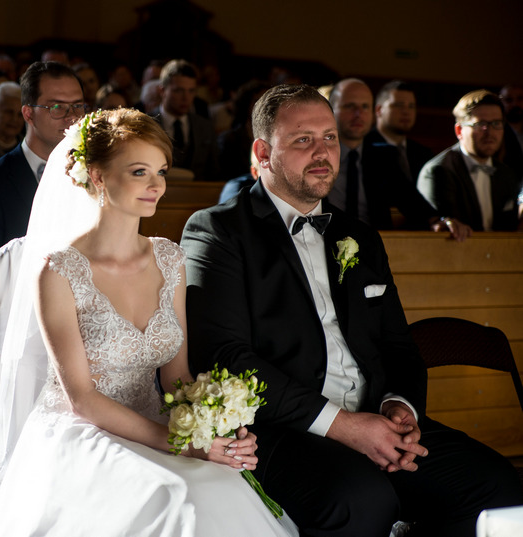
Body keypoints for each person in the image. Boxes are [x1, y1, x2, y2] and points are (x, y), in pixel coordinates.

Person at [181, 83, 523, 536]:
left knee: (498, 487)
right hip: (284, 429)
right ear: (263, 153)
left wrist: (400, 408)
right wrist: (344, 426)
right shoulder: (218, 231)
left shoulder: (359, 236)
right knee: (361, 502)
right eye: (303, 140)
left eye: (330, 137)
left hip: (376, 416)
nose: (322, 152)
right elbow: (225, 357)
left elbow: (398, 343)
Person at [0, 108, 298, 537]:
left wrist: (217, 428)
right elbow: (82, 399)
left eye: (161, 171)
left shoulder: (169, 258)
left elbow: (177, 377)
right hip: (84, 431)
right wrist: (183, 444)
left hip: (158, 421)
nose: (156, 185)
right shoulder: (59, 271)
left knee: (224, 492)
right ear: (98, 176)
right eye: (139, 171)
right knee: (178, 499)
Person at [0, 61, 85, 355]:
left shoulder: (95, 181)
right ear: (28, 113)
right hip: (9, 337)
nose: (71, 117)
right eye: (57, 107)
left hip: (80, 333)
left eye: (78, 106)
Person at [327, 78, 471, 240]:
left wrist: (439, 221)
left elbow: (410, 200)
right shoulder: (316, 155)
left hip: (372, 246)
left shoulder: (382, 157)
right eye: (349, 106)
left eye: (365, 107)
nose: (358, 114)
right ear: (330, 109)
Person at [418, 89, 521, 231]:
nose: (490, 132)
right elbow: (444, 231)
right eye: (480, 124)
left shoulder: (506, 174)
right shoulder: (438, 171)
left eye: (496, 123)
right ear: (459, 131)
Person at [152, 59, 218, 181]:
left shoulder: (205, 127)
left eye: (191, 91)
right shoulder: (146, 124)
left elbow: (214, 173)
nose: (186, 98)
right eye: (178, 90)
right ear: (162, 91)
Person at [366, 80, 434, 182]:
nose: (406, 112)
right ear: (379, 110)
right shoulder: (363, 149)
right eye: (399, 105)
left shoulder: (424, 154)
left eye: (411, 106)